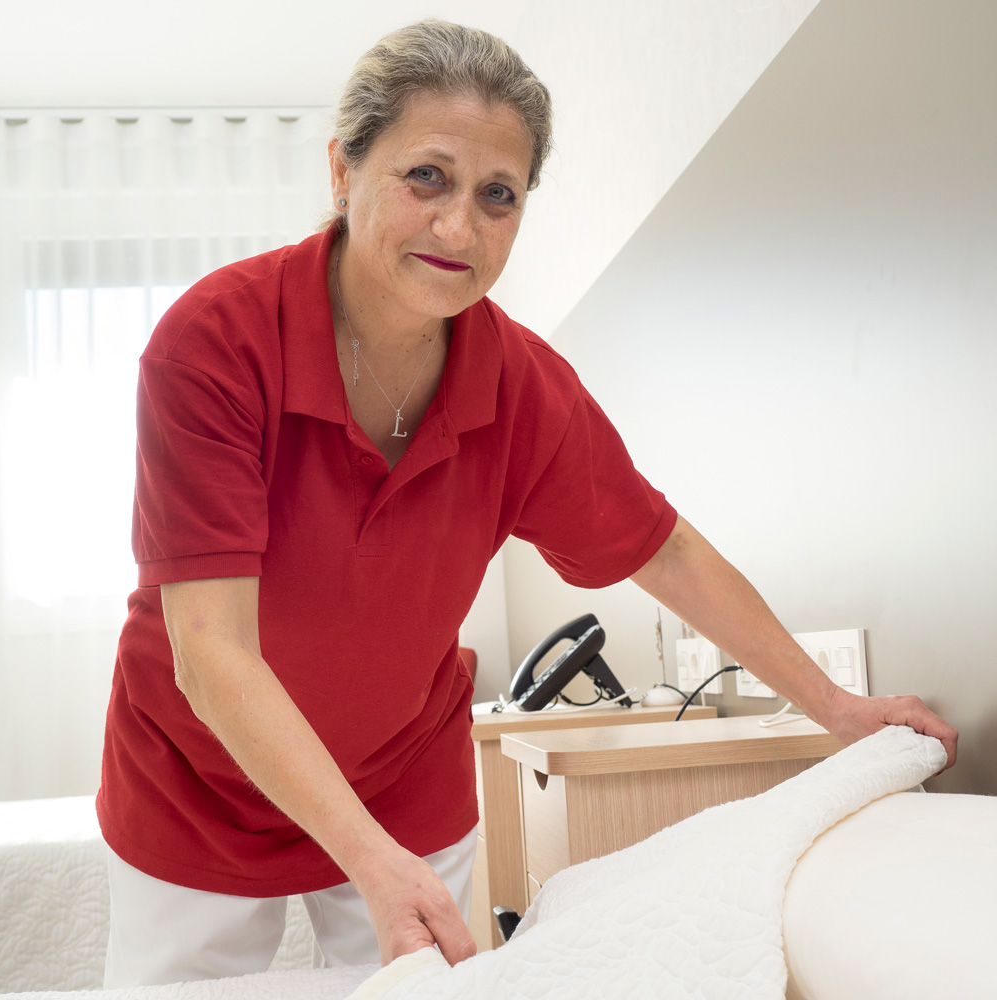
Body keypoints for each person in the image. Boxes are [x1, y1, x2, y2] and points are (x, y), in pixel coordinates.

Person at [96, 18, 958, 988]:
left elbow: (664, 552)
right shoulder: (216, 342)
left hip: (400, 775)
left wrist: (836, 708)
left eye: (496, 196)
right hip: (198, 780)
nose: (459, 227)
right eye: (426, 176)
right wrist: (371, 864)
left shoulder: (521, 388)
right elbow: (212, 649)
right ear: (343, 170)